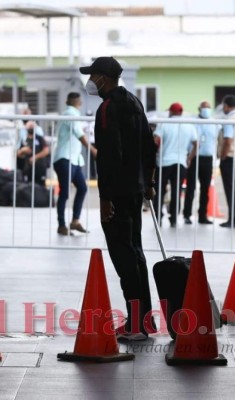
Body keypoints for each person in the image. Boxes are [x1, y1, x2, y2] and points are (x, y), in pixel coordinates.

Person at [79, 57, 157, 340]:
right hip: (135, 190)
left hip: (119, 194)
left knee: (124, 256)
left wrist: (105, 199)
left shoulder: (107, 109)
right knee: (136, 253)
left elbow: (110, 158)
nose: (90, 81)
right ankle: (144, 320)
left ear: (103, 78)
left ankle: (136, 325)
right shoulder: (134, 102)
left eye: (93, 76)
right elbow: (149, 147)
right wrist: (148, 183)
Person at [53, 92, 97, 235]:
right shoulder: (71, 114)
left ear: (67, 101)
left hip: (73, 159)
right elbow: (79, 134)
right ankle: (61, 225)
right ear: (80, 102)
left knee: (82, 188)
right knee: (65, 193)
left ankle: (75, 221)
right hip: (65, 159)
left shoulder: (70, 113)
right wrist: (93, 150)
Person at [153, 102, 197, 227]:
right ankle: (173, 218)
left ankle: (158, 217)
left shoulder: (164, 123)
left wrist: (155, 152)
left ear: (171, 112)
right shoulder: (189, 125)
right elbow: (196, 143)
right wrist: (189, 157)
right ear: (181, 113)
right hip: (181, 163)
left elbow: (156, 140)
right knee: (176, 191)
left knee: (160, 190)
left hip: (164, 162)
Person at [182, 100, 219, 224]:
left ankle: (202, 216)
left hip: (207, 159)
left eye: (208, 107)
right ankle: (187, 215)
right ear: (199, 109)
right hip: (194, 157)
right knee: (191, 187)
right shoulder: (193, 122)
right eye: (204, 107)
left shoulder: (215, 123)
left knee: (205, 188)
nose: (206, 109)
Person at [218, 94, 235, 228]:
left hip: (229, 156)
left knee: (231, 189)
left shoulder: (229, 119)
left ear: (226, 106)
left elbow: (228, 140)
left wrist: (222, 155)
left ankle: (233, 219)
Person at [16, 121, 49, 186]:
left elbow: (46, 150)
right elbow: (18, 154)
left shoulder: (39, 138)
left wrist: (35, 157)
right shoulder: (24, 140)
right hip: (27, 170)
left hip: (39, 168)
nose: (31, 128)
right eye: (29, 126)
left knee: (40, 188)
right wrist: (23, 151)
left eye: (32, 126)